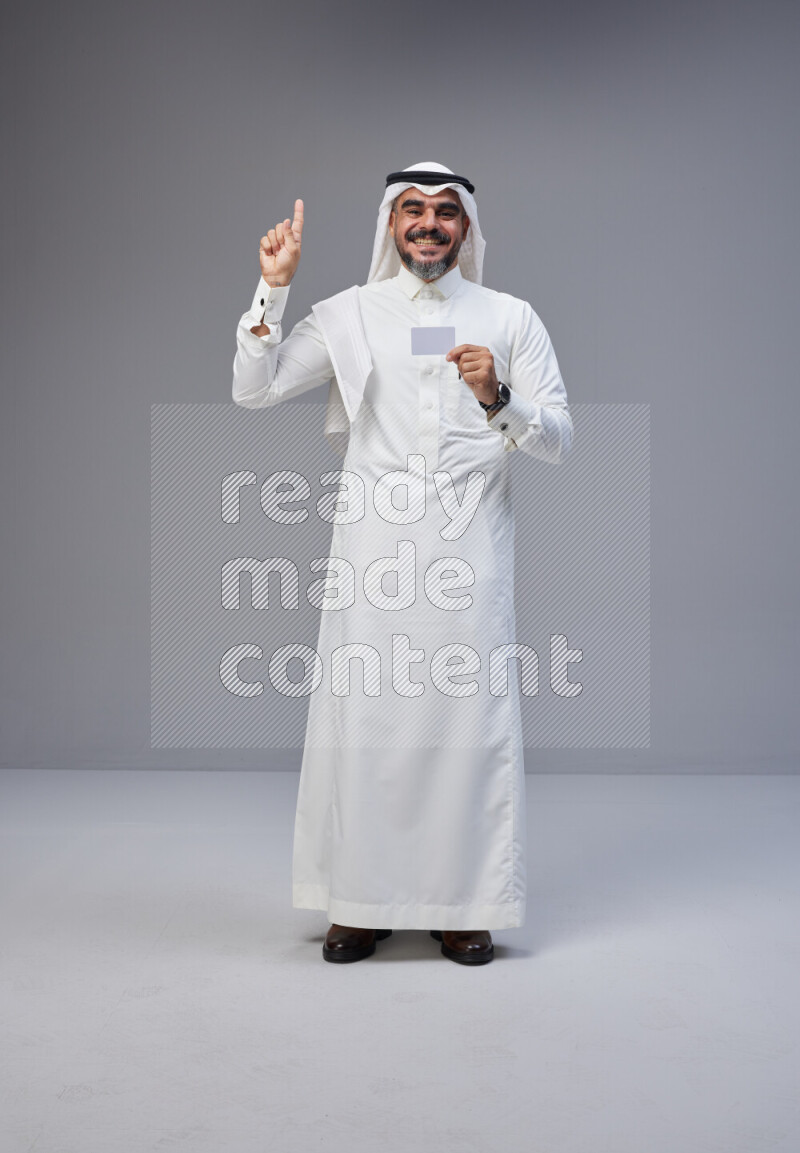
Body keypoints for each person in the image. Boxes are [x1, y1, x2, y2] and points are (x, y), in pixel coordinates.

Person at [232, 162, 573, 966]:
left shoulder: (509, 317)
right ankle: (359, 901)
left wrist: (500, 398)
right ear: (390, 225)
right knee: (370, 727)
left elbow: (558, 439)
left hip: (470, 555)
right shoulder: (349, 314)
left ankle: (465, 905)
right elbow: (255, 389)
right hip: (372, 555)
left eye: (445, 212)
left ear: (467, 229)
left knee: (466, 727)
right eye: (412, 210)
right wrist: (271, 290)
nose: (428, 224)